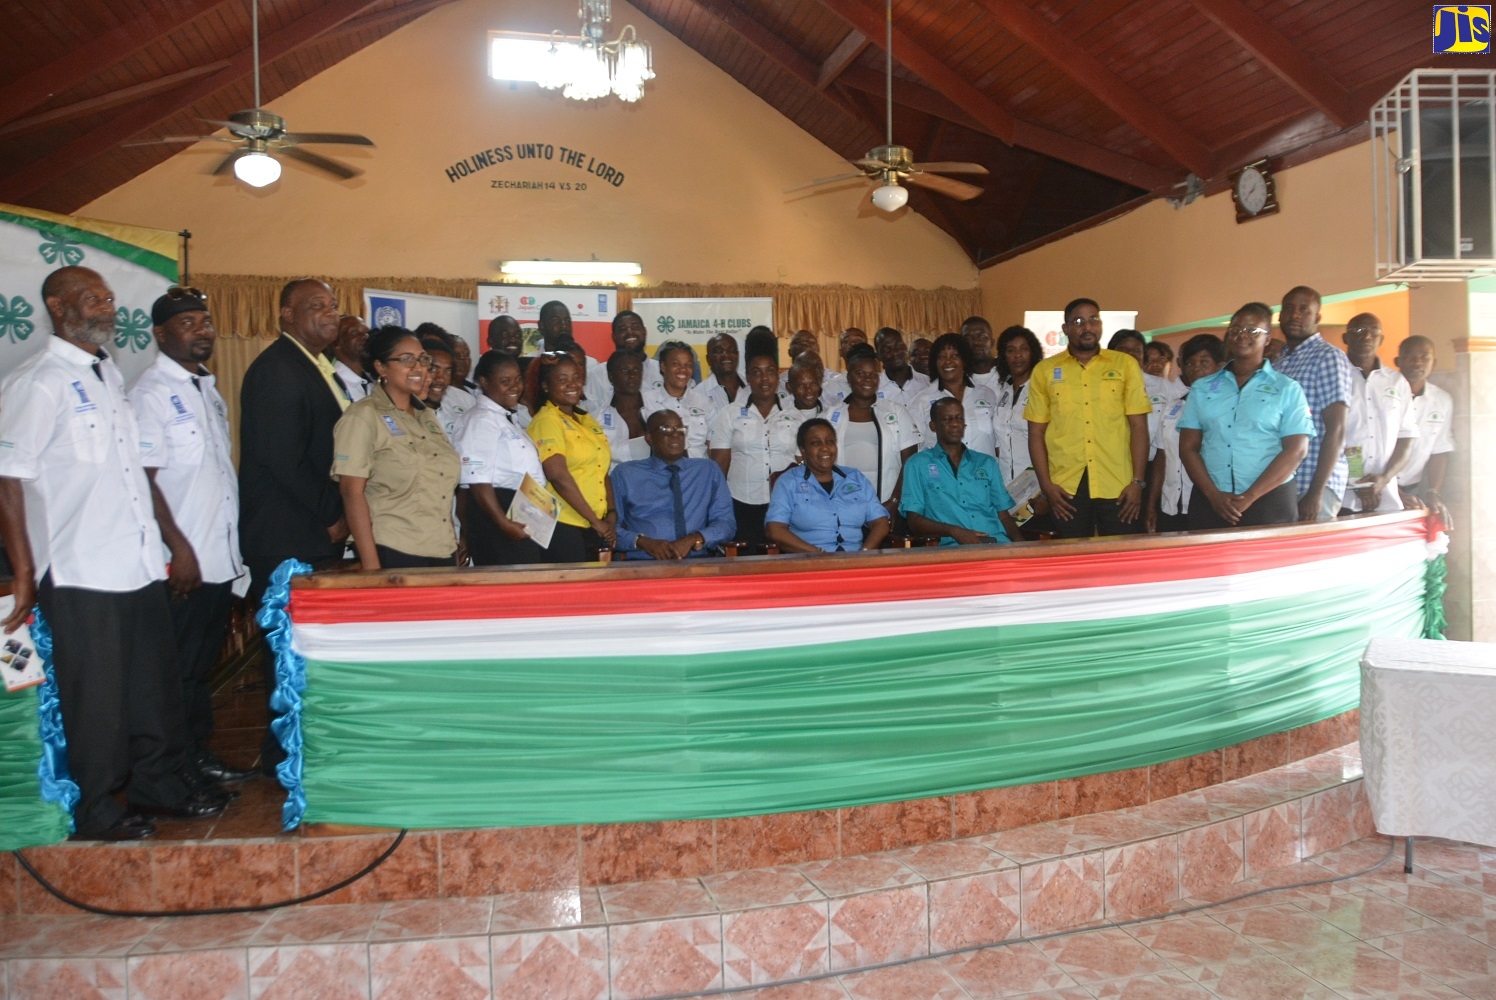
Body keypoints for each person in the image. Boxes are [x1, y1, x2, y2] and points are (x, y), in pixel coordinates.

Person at [0, 268, 221, 841]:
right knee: (95, 700)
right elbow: (8, 477)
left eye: (108, 298)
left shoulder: (109, 375)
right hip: (80, 567)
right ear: (57, 306)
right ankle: (95, 807)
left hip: (137, 563)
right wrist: (23, 571)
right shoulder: (38, 381)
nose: (105, 307)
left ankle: (157, 786)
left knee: (154, 689)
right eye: (91, 299)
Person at [132, 289, 254, 789]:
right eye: (187, 323)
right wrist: (179, 549)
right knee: (174, 672)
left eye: (205, 321)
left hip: (217, 556)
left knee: (199, 668)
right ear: (160, 334)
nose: (201, 330)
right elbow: (143, 480)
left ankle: (196, 758)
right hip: (182, 562)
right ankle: (171, 772)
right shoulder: (150, 393)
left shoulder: (207, 389)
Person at [239, 278, 349, 774]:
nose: (330, 313)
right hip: (287, 532)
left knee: (304, 648)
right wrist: (331, 515)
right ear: (286, 314)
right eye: (316, 305)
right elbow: (284, 459)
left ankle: (299, 743)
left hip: (306, 527)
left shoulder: (315, 365)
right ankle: (283, 755)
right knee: (286, 648)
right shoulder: (278, 370)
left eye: (333, 305)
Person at [333, 327, 460, 569]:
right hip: (393, 550)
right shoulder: (363, 416)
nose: (418, 368)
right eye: (407, 360)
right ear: (381, 367)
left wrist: (451, 547)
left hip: (442, 550)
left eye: (423, 359)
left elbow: (441, 488)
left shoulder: (427, 416)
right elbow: (351, 492)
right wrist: (372, 567)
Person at [1178, 303, 1313, 529]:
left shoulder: (1287, 388)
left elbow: (1296, 450)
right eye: (1236, 330)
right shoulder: (1202, 388)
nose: (1242, 335)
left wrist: (1250, 496)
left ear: (1267, 338)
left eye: (1252, 330)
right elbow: (1188, 447)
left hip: (1270, 501)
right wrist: (1213, 495)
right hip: (1211, 500)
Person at [1024, 297, 1151, 538]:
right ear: (1065, 329)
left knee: (1118, 554)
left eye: (1094, 319)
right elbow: (1036, 433)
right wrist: (1047, 486)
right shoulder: (1045, 370)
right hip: (1066, 488)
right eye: (1079, 321)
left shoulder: (1125, 365)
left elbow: (1138, 427)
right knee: (1072, 554)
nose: (1087, 327)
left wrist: (1138, 482)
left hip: (1118, 484)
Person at [453, 351, 547, 566]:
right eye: (505, 382)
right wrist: (503, 523)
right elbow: (477, 480)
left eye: (518, 380)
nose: (515, 387)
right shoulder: (480, 420)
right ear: (484, 382)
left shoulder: (505, 418)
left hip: (520, 510)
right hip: (496, 513)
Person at [708, 330, 803, 544]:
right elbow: (719, 465)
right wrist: (717, 507)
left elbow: (801, 464)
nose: (764, 378)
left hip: (786, 505)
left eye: (770, 371)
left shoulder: (794, 415)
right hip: (741, 503)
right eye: (756, 372)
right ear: (748, 377)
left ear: (778, 376)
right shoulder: (729, 414)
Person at [1273, 285, 1354, 521]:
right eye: (1289, 309)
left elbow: (1337, 428)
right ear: (1280, 317)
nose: (1295, 315)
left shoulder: (1327, 356)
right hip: (1283, 483)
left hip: (1314, 484)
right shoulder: (1279, 364)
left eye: (1303, 310)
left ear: (1317, 317)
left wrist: (1316, 492)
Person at [527, 351, 615, 561]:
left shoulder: (586, 419)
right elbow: (557, 475)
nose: (572, 384)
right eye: (562, 379)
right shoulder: (547, 420)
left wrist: (611, 514)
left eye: (576, 377)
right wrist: (595, 521)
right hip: (561, 524)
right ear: (546, 386)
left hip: (593, 525)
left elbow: (601, 469)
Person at [613, 410, 736, 559]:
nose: (675, 435)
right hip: (644, 562)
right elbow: (610, 529)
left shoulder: (707, 470)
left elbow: (726, 524)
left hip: (698, 562)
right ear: (649, 438)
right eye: (666, 429)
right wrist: (643, 542)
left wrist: (694, 539)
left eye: (680, 429)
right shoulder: (626, 474)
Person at [901, 397, 1018, 545]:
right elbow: (914, 521)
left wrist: (1022, 548)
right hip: (952, 548)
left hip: (996, 543)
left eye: (959, 418)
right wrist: (953, 531)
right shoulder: (917, 464)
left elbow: (1003, 515)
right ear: (933, 426)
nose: (955, 424)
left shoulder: (986, 463)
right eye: (947, 419)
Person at [765, 418, 890, 553]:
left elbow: (880, 522)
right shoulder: (788, 482)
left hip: (855, 557)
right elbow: (775, 530)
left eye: (830, 442)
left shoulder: (855, 477)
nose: (825, 448)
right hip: (809, 559)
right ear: (803, 450)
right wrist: (818, 554)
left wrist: (864, 553)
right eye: (816, 443)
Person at [826, 344, 918, 524]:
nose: (867, 379)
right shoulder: (831, 415)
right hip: (844, 509)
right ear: (849, 377)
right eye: (860, 373)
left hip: (888, 507)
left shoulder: (896, 411)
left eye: (872, 374)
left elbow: (910, 463)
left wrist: (894, 501)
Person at [1146, 334, 1224, 534]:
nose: (1195, 368)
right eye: (1190, 363)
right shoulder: (1174, 405)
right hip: (1170, 504)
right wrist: (1151, 504)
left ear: (1220, 366)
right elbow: (1162, 456)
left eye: (1204, 362)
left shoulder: (1226, 408)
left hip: (1208, 503)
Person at [1341, 313, 1418, 513]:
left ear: (1381, 339)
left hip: (1387, 496)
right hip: (1341, 496)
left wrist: (1384, 478)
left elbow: (1406, 437)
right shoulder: (1336, 376)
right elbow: (1335, 435)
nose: (1367, 336)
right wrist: (1357, 482)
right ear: (1346, 338)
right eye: (1359, 330)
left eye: (1373, 331)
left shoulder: (1397, 382)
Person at [907, 332, 998, 455]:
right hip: (940, 467)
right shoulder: (921, 401)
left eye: (954, 355)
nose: (948, 361)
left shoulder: (987, 394)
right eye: (941, 357)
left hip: (984, 467)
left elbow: (998, 443)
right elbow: (916, 450)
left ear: (964, 360)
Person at [1394, 336, 1454, 519]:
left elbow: (1439, 450)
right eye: (1410, 357)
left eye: (1424, 357)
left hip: (1413, 489)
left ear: (1433, 363)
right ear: (1398, 361)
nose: (1417, 362)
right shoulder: (1384, 394)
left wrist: (1434, 492)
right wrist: (1391, 490)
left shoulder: (1442, 400)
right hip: (1375, 489)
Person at [642, 340, 714, 458]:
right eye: (676, 364)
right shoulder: (646, 402)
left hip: (699, 466)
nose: (683, 369)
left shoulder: (705, 402)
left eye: (688, 365)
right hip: (662, 467)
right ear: (663, 366)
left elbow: (712, 445)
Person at [993, 325, 1044, 485]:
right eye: (1011, 350)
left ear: (1033, 353)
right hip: (1005, 484)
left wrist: (1045, 488)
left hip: (1037, 485)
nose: (1017, 355)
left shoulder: (1042, 389)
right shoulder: (1004, 389)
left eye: (1024, 349)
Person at [586, 310, 660, 403]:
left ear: (644, 332)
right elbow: (590, 410)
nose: (630, 332)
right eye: (622, 329)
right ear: (614, 336)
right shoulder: (598, 374)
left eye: (635, 327)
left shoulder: (661, 371)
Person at [594, 349, 650, 467]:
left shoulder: (656, 410)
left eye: (636, 370)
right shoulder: (597, 418)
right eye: (624, 371)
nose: (632, 375)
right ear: (611, 376)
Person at [419, 334, 475, 438]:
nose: (441, 378)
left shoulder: (451, 414)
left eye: (447, 371)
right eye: (433, 369)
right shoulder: (403, 416)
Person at [698, 331, 747, 420]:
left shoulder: (752, 388)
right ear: (708, 359)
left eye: (731, 350)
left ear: (738, 355)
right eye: (718, 351)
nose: (726, 355)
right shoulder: (698, 394)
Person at [875, 326, 926, 405]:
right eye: (887, 350)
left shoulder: (927, 383)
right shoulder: (874, 388)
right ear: (878, 356)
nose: (895, 352)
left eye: (898, 346)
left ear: (905, 347)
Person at [330, 314, 370, 403]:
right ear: (336, 342)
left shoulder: (376, 381)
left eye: (367, 332)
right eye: (355, 332)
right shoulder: (331, 383)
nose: (365, 336)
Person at [962, 316, 1000, 392]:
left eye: (982, 337)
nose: (976, 342)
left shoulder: (1007, 371)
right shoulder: (958, 377)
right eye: (968, 339)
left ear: (992, 342)